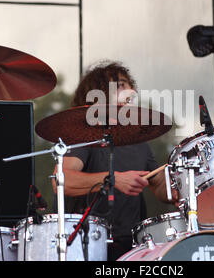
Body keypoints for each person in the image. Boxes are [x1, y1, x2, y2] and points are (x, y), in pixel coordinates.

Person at [52, 60, 177, 261]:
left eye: (130, 86)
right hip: (89, 244)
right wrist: (113, 179)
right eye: (120, 85)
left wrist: (183, 186)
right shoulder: (84, 135)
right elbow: (61, 180)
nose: (131, 92)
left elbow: (162, 189)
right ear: (97, 95)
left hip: (135, 246)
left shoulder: (139, 142)